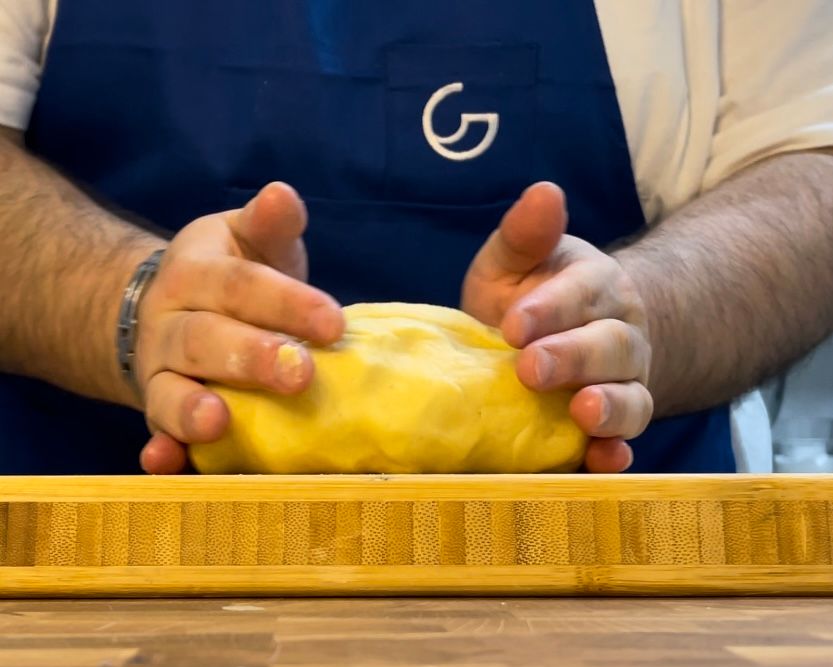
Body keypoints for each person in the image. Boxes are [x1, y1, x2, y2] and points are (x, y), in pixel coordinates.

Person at [0, 0, 830, 476]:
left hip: (617, 604)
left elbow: (811, 161)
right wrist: (133, 307)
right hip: (94, 579)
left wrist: (635, 322)